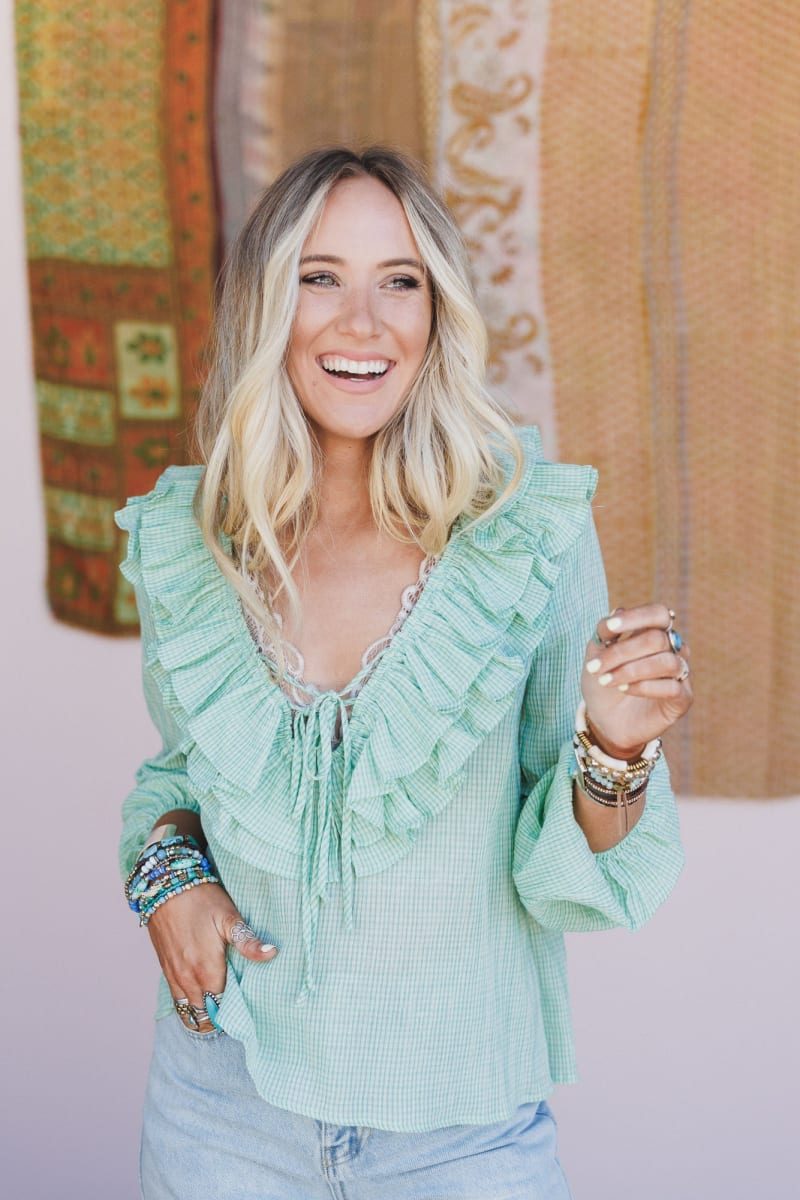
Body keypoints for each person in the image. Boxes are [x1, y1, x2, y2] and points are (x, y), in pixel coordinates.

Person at [117, 146, 692, 1199]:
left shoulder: (524, 535)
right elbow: (178, 779)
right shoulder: (195, 543)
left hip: (457, 1135)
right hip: (220, 1113)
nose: (363, 322)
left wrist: (614, 750)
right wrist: (170, 876)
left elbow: (558, 879)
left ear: (437, 314)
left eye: (400, 281)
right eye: (319, 277)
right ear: (266, 306)